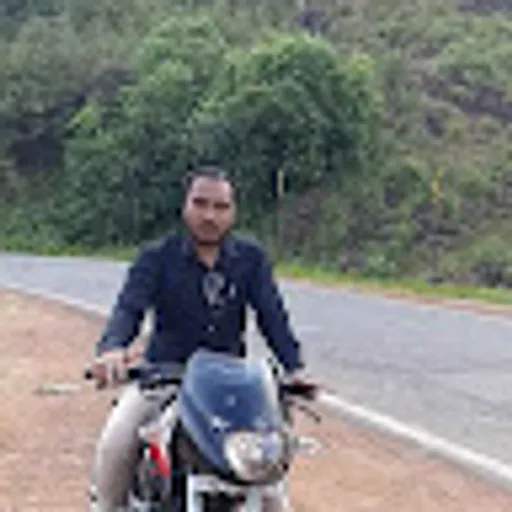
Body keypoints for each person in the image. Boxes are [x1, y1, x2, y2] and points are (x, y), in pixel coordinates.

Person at [88, 165, 314, 511]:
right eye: (201, 203)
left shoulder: (250, 259)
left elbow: (273, 317)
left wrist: (294, 368)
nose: (210, 215)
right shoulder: (156, 257)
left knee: (271, 488)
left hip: (230, 390)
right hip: (164, 379)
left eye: (221, 206)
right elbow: (129, 309)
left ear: (233, 212)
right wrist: (112, 349)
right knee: (116, 443)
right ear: (185, 206)